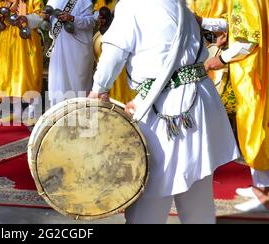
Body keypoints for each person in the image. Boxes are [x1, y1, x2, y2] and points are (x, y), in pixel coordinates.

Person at [88, 0, 240, 224]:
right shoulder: (178, 3)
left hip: (170, 109)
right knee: (197, 189)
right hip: (199, 100)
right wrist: (141, 99)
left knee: (150, 188)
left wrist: (98, 91)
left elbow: (114, 52)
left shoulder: (132, 5)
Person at [196, 0, 269, 213]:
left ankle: (264, 193)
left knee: (255, 127)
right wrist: (205, 22)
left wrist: (220, 59)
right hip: (254, 70)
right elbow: (242, 24)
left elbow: (247, 40)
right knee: (255, 125)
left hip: (252, 72)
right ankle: (260, 184)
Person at [0, 0, 44, 125]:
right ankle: (16, 112)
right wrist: (0, 16)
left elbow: (40, 16)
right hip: (8, 40)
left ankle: (33, 112)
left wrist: (25, 17)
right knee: (11, 75)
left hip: (27, 39)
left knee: (30, 74)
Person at [44, 0, 96, 107]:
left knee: (77, 84)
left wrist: (72, 18)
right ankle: (58, 114)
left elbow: (91, 22)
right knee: (58, 82)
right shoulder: (53, 1)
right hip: (59, 48)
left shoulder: (84, 1)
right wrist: (45, 18)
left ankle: (80, 114)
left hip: (77, 50)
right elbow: (48, 25)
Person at [93, 0, 135, 104]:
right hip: (108, 43)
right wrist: (100, 19)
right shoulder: (104, 1)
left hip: (128, 43)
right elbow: (96, 13)